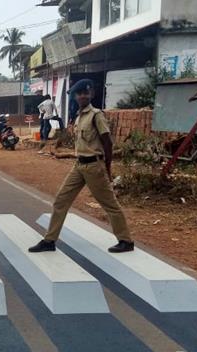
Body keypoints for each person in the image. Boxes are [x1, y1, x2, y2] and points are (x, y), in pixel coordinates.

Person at [29, 79, 134, 254]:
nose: (83, 96)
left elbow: (107, 142)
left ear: (91, 94)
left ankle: (125, 240)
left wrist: (107, 168)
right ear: (76, 96)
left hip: (94, 166)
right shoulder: (78, 116)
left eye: (86, 93)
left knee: (109, 204)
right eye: (79, 93)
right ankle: (49, 240)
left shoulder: (96, 115)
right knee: (61, 201)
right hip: (79, 165)